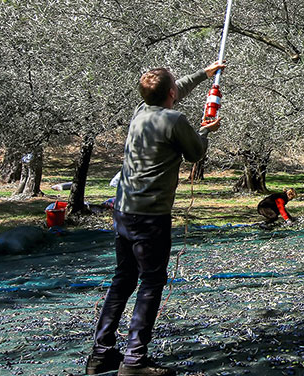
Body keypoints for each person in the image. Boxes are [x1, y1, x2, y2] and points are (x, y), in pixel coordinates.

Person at [85, 61, 224, 376]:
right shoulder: (175, 120)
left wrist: (205, 74)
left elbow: (173, 89)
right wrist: (205, 129)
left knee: (123, 280)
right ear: (171, 93)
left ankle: (101, 354)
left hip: (123, 211)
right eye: (175, 88)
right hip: (151, 217)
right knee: (151, 282)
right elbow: (195, 153)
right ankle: (134, 361)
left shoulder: (140, 112)